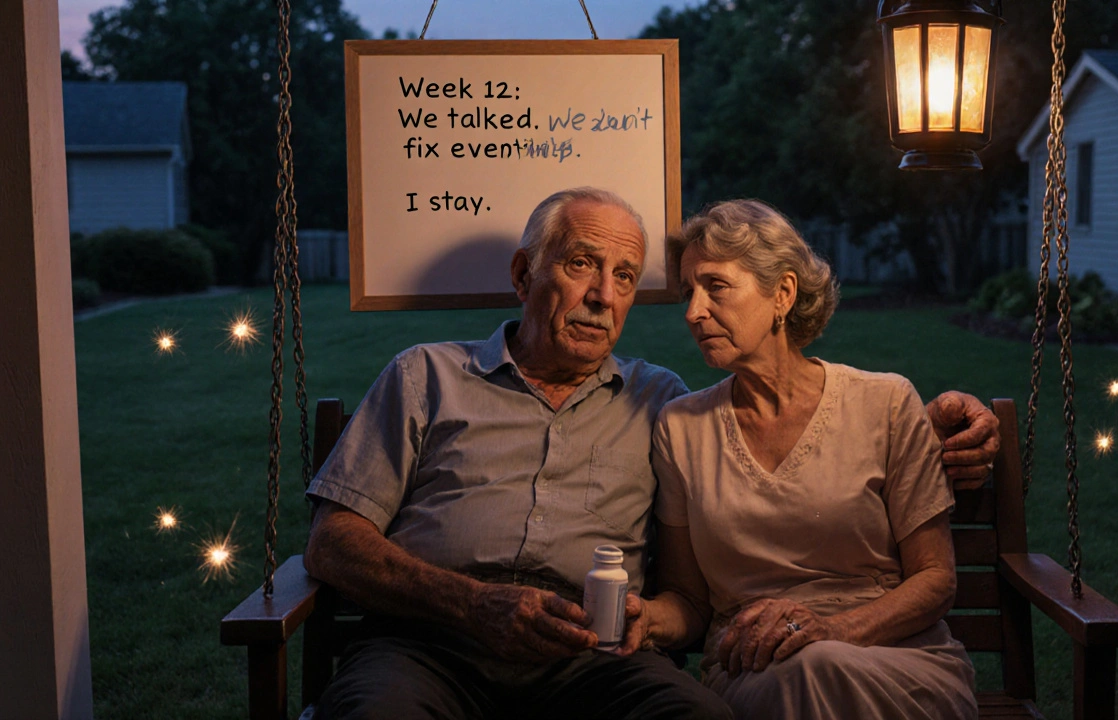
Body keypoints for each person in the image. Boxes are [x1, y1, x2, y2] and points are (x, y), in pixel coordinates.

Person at [303, 188, 995, 719]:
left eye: (627, 277)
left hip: (589, 661)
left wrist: (950, 417)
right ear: (523, 274)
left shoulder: (657, 401)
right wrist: (471, 604)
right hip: (429, 646)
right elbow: (333, 544)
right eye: (582, 265)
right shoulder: (424, 376)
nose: (605, 296)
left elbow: (818, 438)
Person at [621, 199, 980, 719]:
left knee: (820, 667)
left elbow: (935, 579)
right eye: (688, 292)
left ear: (783, 293)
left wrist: (833, 631)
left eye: (715, 287)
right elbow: (691, 601)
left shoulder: (885, 403)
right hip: (756, 666)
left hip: (895, 658)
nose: (693, 312)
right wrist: (646, 619)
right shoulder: (682, 429)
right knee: (809, 672)